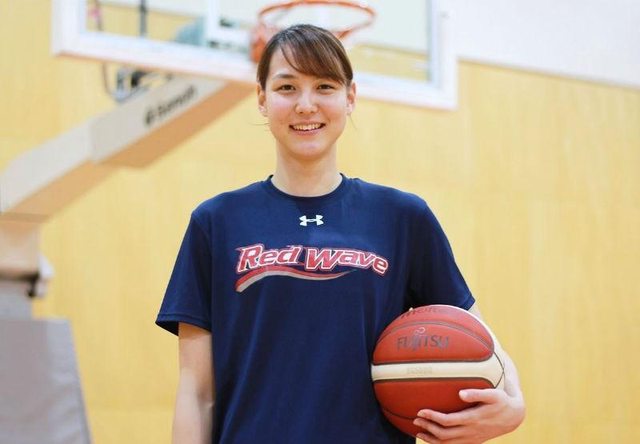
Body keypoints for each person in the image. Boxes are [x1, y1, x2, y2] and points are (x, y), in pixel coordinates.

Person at [156, 24, 525, 444]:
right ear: (262, 99)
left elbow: (479, 337)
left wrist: (514, 405)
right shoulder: (216, 222)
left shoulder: (403, 218)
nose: (306, 105)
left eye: (325, 87)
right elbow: (197, 393)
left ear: (350, 97)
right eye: (287, 87)